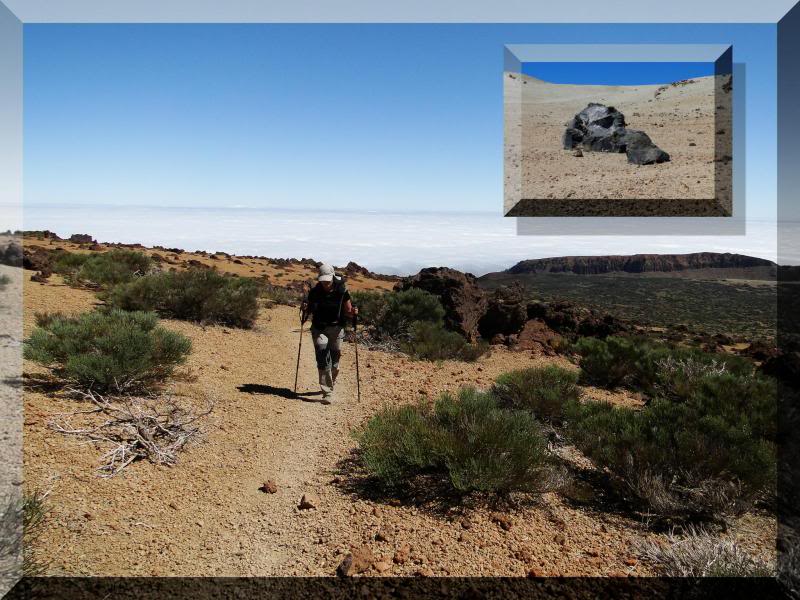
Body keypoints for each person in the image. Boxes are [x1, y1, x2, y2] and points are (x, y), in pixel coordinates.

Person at [301, 264, 358, 403]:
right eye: (323, 280)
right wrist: (305, 307)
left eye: (327, 280)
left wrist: (353, 312)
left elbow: (348, 310)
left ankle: (330, 381)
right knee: (322, 357)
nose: (325, 283)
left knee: (334, 362)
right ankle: (327, 392)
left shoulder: (342, 291)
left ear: (333, 277)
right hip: (319, 328)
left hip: (336, 328)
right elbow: (309, 308)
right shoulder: (315, 292)